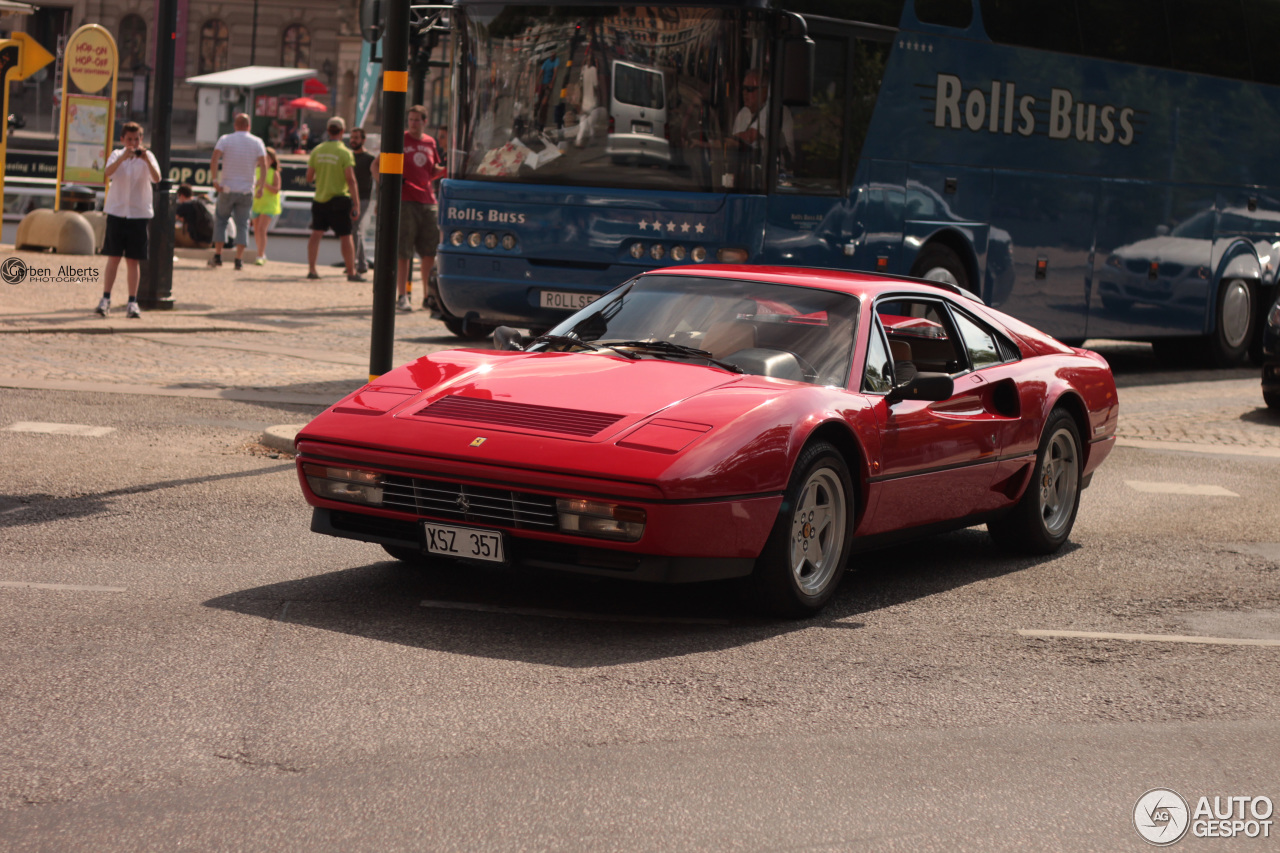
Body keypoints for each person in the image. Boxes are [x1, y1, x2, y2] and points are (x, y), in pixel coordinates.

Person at [372, 105, 446, 312]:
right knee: (403, 251)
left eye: (417, 120)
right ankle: (403, 295)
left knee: (429, 251)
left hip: (428, 200)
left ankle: (428, 295)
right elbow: (375, 166)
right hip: (404, 201)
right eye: (410, 119)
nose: (413, 123)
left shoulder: (430, 142)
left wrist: (448, 169)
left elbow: (431, 171)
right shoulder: (399, 139)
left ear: (425, 121)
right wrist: (387, 186)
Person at [95, 121, 161, 318]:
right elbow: (107, 173)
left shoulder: (148, 157)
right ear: (123, 140)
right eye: (129, 139)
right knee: (113, 257)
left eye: (136, 139)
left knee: (133, 260)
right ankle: (106, 298)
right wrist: (123, 157)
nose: (133, 143)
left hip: (138, 214)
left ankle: (132, 301)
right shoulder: (117, 154)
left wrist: (146, 159)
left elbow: (157, 178)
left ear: (141, 140)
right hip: (117, 212)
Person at [305, 116, 363, 281]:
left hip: (320, 198)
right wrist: (356, 204)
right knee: (346, 236)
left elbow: (309, 177)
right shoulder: (344, 152)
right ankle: (351, 272)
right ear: (342, 131)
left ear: (328, 130)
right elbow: (351, 180)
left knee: (316, 234)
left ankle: (312, 269)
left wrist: (323, 177)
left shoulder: (317, 150)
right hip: (339, 200)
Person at [208, 113, 267, 271]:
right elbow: (263, 164)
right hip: (246, 190)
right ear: (249, 126)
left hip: (227, 187)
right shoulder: (257, 142)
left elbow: (214, 158)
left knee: (221, 221)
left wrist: (215, 180)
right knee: (243, 224)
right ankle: (238, 259)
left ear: (235, 125)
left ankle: (218, 255)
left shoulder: (225, 139)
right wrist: (260, 187)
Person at [731, 70, 794, 158]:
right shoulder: (743, 113)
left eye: (750, 89)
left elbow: (749, 136)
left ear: (765, 91)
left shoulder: (775, 110)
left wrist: (718, 142)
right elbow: (735, 146)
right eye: (743, 88)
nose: (744, 93)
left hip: (776, 170)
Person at [348, 127, 376, 275]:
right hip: (348, 197)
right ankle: (361, 264)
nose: (353, 140)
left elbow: (377, 180)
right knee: (354, 230)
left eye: (356, 138)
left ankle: (356, 263)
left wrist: (378, 201)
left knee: (354, 227)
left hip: (363, 198)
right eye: (352, 137)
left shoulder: (369, 158)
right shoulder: (348, 157)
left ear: (363, 140)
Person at [251, 147, 283, 265]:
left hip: (269, 205)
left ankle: (260, 255)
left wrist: (264, 184)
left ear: (272, 160)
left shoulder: (274, 173)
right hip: (257, 203)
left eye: (267, 158)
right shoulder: (256, 171)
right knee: (256, 230)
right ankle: (261, 252)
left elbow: (276, 189)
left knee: (261, 229)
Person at [174, 184, 214, 249]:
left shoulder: (185, 205)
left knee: (172, 232)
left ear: (181, 195)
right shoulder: (200, 203)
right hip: (209, 242)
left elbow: (171, 220)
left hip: (197, 242)